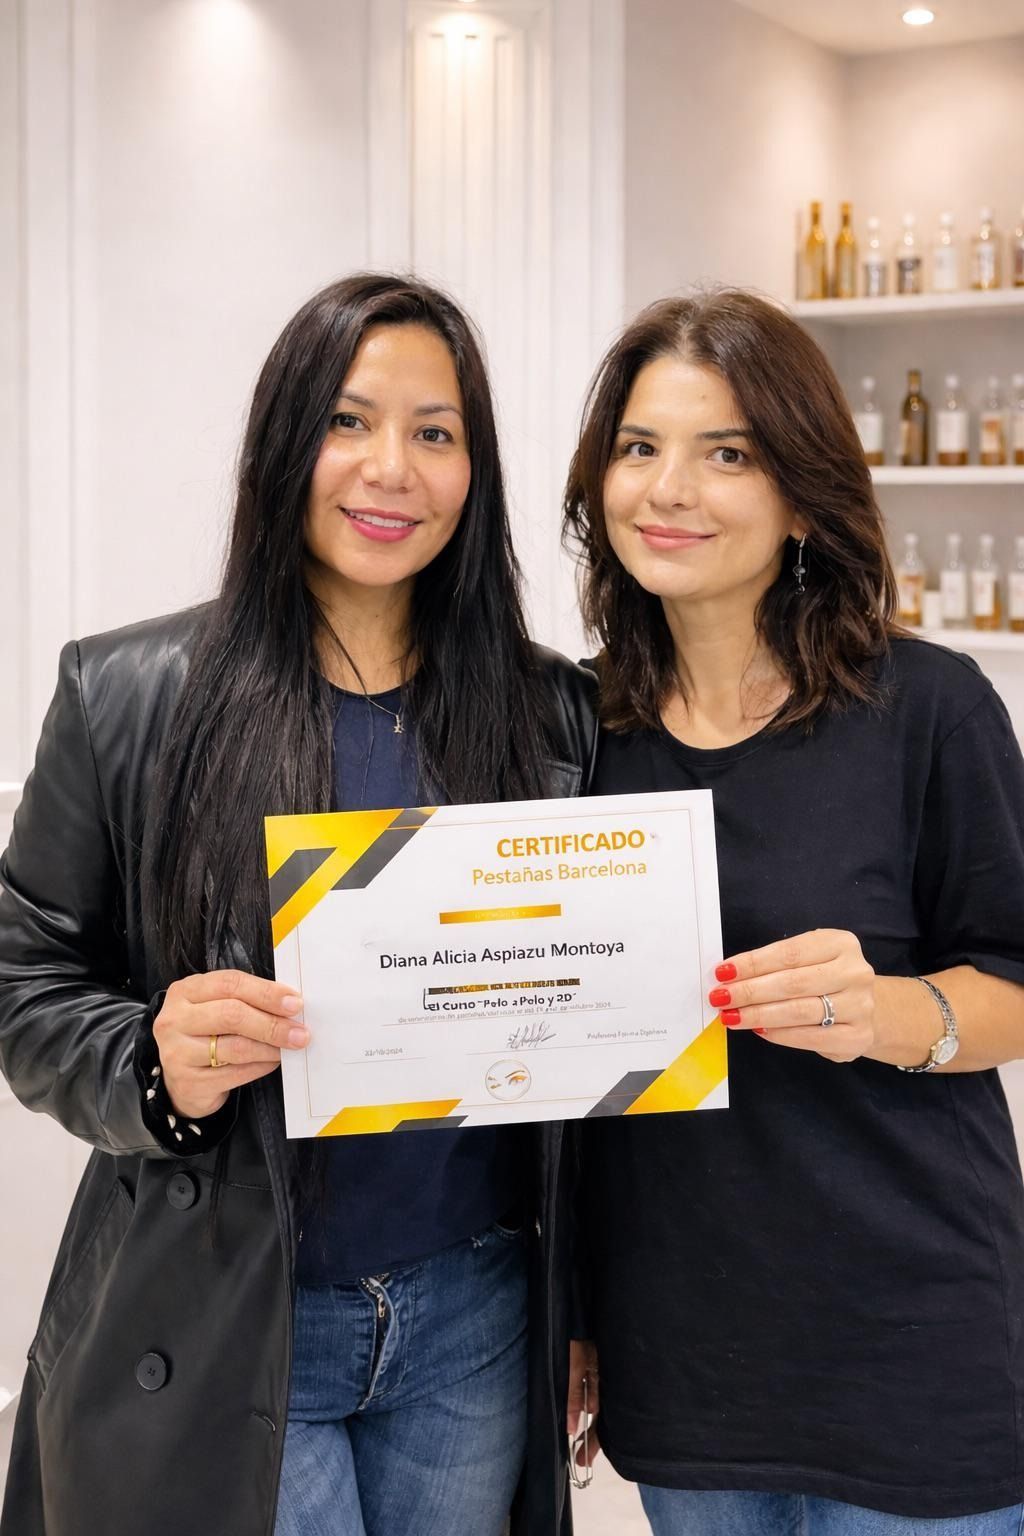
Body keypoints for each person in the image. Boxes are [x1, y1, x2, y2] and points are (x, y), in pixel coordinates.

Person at [0, 272, 596, 1536]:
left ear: (473, 471)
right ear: (283, 443)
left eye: (434, 433)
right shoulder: (128, 694)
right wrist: (152, 1059)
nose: (391, 469)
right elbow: (25, 979)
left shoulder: (551, 715)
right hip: (233, 1312)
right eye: (345, 420)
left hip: (474, 1316)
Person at [562, 288, 1024, 1535]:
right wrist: (576, 1312)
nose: (668, 490)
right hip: (689, 1350)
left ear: (799, 491)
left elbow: (1013, 985)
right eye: (639, 447)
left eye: (727, 454)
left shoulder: (927, 708)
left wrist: (884, 1010)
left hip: (911, 1337)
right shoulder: (571, 737)